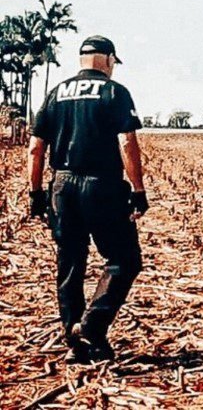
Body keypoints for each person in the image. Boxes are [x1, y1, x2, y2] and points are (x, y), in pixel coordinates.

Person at [28, 35, 149, 363]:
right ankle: (93, 325)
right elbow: (127, 143)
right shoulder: (114, 92)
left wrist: (35, 193)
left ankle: (74, 339)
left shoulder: (56, 94)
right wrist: (138, 189)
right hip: (102, 186)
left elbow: (36, 148)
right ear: (108, 59)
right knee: (125, 260)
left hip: (63, 186)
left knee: (70, 263)